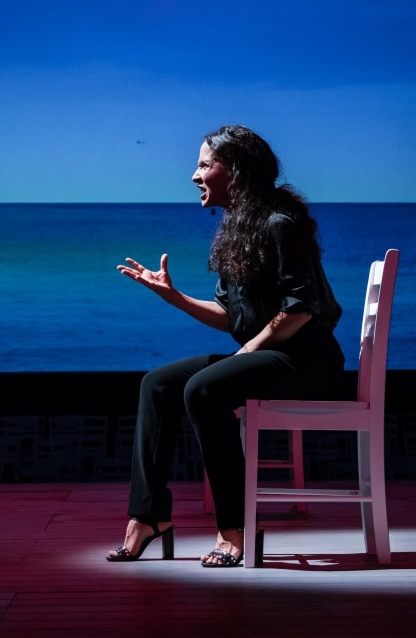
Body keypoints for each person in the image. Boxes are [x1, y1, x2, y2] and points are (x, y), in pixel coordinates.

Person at [107, 125, 345, 567]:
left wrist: (249, 349)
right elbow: (229, 317)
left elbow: (301, 309)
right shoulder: (237, 229)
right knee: (157, 384)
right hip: (268, 355)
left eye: (203, 164)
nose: (194, 176)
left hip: (308, 361)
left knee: (203, 389)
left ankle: (234, 530)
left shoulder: (278, 225)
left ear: (234, 171)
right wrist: (173, 297)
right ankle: (147, 518)